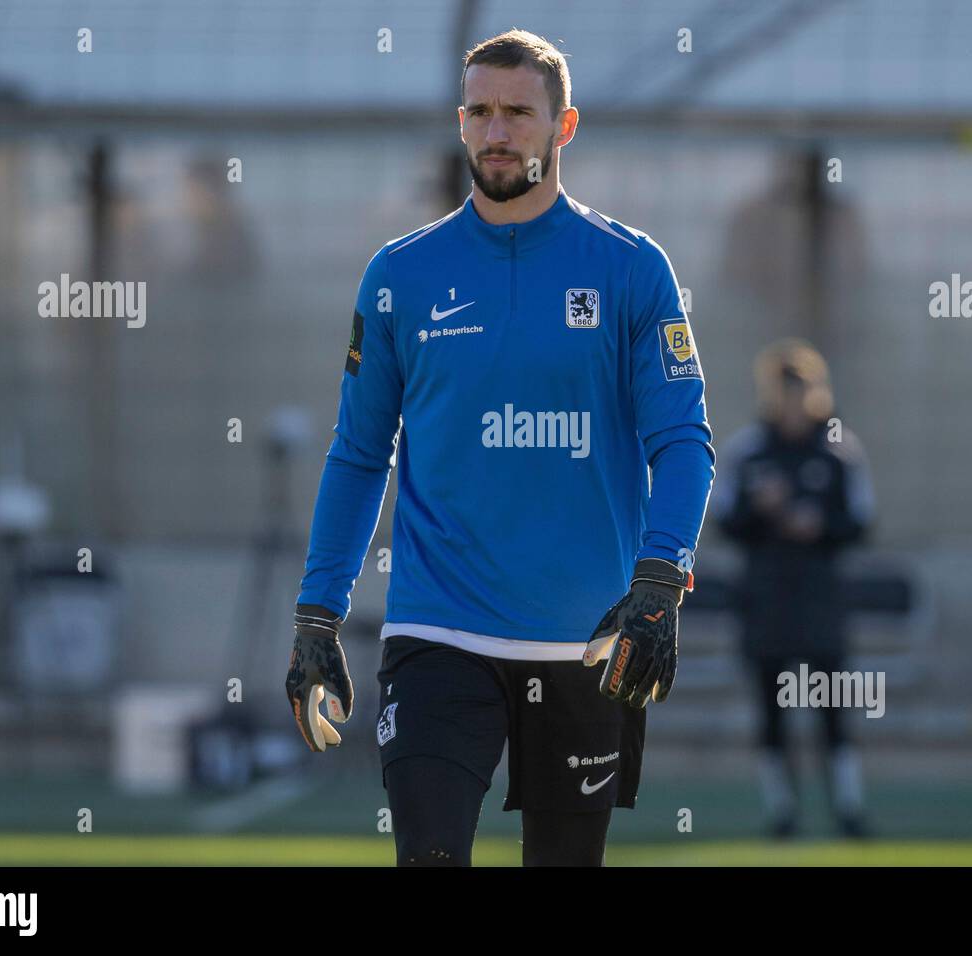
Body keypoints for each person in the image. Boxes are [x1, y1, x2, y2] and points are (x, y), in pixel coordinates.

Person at [284, 29, 714, 866]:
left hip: (586, 641)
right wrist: (317, 613)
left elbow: (683, 441)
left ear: (565, 126)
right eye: (480, 111)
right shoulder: (399, 275)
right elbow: (358, 454)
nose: (497, 131)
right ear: (459, 122)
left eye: (519, 112)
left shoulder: (632, 268)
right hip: (437, 633)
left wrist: (659, 582)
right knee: (430, 855)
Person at [712, 339, 874, 838]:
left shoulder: (840, 448)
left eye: (800, 388)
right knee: (771, 708)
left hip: (820, 597)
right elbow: (723, 519)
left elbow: (861, 522)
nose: (791, 400)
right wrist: (761, 509)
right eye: (782, 390)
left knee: (831, 709)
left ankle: (848, 810)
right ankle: (781, 812)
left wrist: (819, 524)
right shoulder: (748, 449)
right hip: (765, 597)